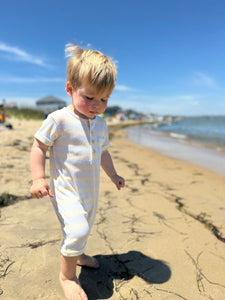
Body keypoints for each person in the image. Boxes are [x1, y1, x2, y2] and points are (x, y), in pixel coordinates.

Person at [30, 44, 125, 300]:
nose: (96, 105)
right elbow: (39, 146)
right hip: (65, 190)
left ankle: (79, 254)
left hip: (90, 191)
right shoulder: (58, 119)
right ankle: (67, 277)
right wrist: (38, 178)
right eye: (89, 97)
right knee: (77, 229)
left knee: (85, 226)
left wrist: (113, 175)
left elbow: (103, 152)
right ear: (70, 89)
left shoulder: (102, 125)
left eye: (104, 99)